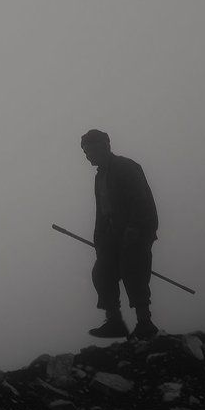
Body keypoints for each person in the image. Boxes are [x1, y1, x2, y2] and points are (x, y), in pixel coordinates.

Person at [80, 128, 159, 339]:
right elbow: (103, 210)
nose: (87, 156)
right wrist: (99, 238)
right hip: (111, 236)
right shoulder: (100, 177)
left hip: (136, 232)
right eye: (85, 152)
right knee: (102, 273)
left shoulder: (126, 167)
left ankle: (145, 322)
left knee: (134, 274)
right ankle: (114, 321)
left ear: (104, 146)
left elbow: (140, 200)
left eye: (89, 151)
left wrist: (134, 229)